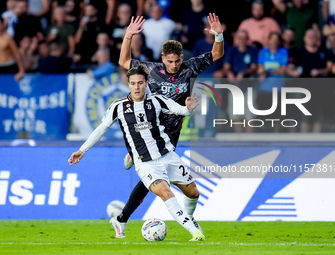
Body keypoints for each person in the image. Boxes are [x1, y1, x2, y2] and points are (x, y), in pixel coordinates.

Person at [114, 13, 224, 238]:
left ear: (182, 57)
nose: (174, 66)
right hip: (148, 130)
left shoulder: (190, 67)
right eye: (170, 61)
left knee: (152, 182)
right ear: (163, 58)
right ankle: (133, 157)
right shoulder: (151, 70)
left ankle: (122, 216)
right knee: (154, 180)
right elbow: (124, 62)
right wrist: (128, 36)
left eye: (177, 61)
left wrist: (219, 35)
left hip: (171, 135)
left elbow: (216, 54)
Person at [68, 64, 205, 241]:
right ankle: (194, 231)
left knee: (193, 193)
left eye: (140, 83)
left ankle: (188, 218)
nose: (137, 87)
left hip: (167, 156)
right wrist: (82, 150)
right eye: (133, 83)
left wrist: (189, 108)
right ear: (128, 84)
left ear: (146, 83)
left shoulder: (156, 100)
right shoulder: (119, 106)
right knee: (165, 192)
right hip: (145, 163)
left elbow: (181, 110)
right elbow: (101, 129)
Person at [257, 31, 288, 132]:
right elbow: (260, 69)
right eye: (272, 39)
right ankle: (264, 134)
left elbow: (283, 69)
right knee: (264, 112)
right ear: (269, 40)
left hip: (278, 87)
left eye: (276, 39)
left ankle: (277, 135)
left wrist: (268, 72)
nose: (274, 41)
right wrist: (267, 71)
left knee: (277, 114)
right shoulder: (263, 51)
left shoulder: (283, 51)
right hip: (264, 88)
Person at [0, 16, 25, 82]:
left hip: (9, 66)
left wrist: (21, 70)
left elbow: (16, 53)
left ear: (2, 25)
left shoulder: (8, 38)